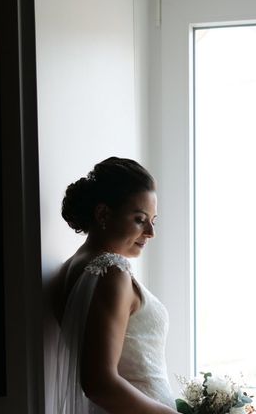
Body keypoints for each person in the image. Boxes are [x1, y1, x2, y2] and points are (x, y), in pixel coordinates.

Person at [52, 157, 179, 414]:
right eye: (139, 219)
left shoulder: (70, 269)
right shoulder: (111, 274)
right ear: (103, 214)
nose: (150, 232)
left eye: (154, 220)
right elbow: (99, 383)